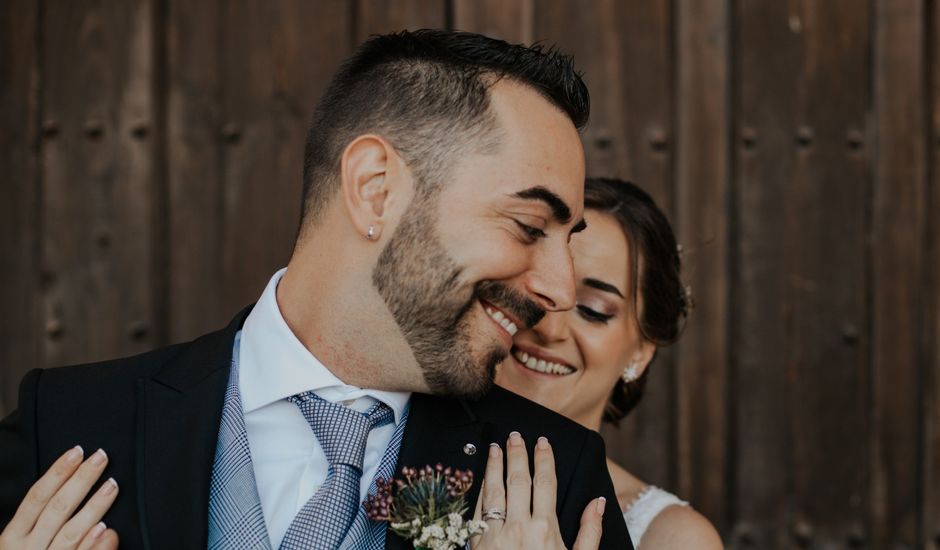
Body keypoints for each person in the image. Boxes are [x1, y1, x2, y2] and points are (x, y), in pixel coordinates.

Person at [0, 30, 632, 549]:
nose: (559, 288)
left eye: (567, 240)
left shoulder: (557, 480)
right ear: (375, 187)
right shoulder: (68, 425)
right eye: (528, 226)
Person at [495, 177, 723, 549]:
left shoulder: (671, 539)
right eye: (535, 291)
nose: (551, 329)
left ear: (641, 353)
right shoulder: (401, 459)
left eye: (592, 310)